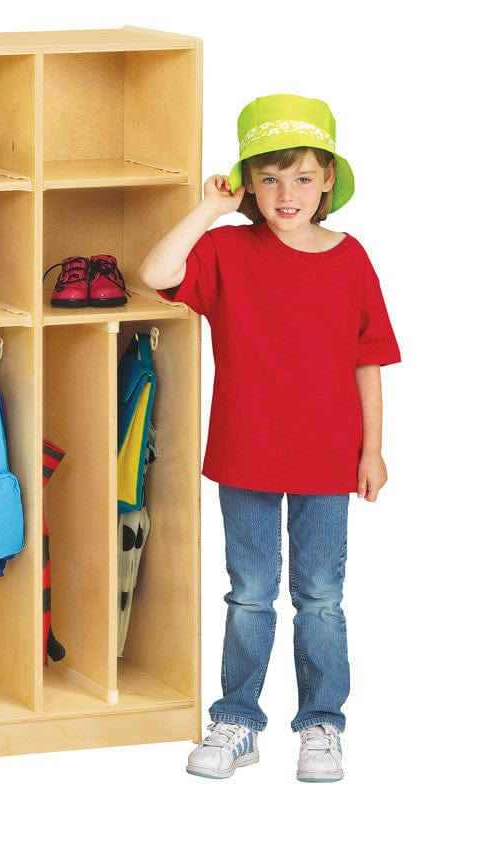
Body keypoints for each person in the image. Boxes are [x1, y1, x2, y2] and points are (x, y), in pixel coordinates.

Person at [137, 93, 400, 782]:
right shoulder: (226, 249)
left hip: (329, 458)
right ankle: (236, 721)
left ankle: (321, 723)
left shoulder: (351, 259)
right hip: (245, 453)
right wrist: (209, 208)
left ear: (328, 180)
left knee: (320, 596)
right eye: (271, 177)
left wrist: (373, 449)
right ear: (248, 183)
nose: (288, 194)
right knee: (249, 593)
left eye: (304, 177)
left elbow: (367, 362)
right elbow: (155, 273)